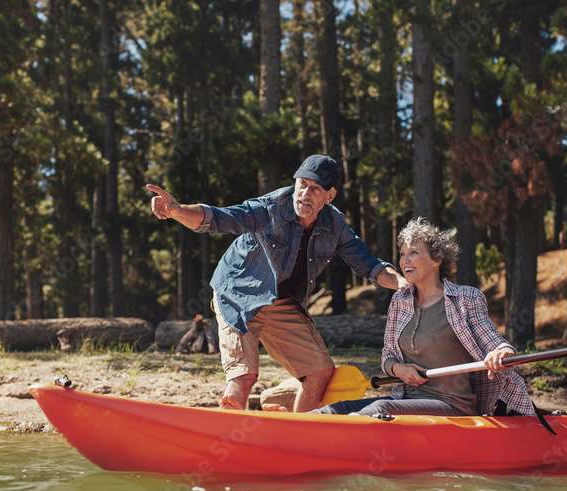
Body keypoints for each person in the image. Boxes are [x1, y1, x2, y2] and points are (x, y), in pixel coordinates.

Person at [147, 155, 406, 411]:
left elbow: (370, 266)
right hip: (238, 295)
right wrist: (178, 210)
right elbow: (218, 218)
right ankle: (228, 436)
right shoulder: (270, 208)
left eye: (315, 188)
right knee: (244, 375)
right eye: (302, 183)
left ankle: (298, 434)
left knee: (319, 372)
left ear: (329, 197)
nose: (305, 193)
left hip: (281, 301)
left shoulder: (335, 224)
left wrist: (404, 284)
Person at [312, 217, 536, 418]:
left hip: (452, 404)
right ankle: (296, 423)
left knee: (378, 409)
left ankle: (342, 440)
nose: (404, 261)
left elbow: (495, 343)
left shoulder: (466, 298)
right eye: (402, 254)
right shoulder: (400, 301)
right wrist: (398, 369)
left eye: (414, 253)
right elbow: (388, 356)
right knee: (339, 408)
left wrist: (501, 352)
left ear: (436, 259)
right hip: (405, 400)